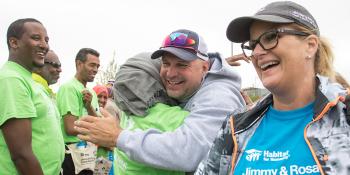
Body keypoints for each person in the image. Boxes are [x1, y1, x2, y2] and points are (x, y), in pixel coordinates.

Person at [196, 1, 350, 175]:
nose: (256, 53)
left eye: (270, 37)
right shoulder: (236, 126)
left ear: (310, 45)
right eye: (252, 45)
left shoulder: (345, 115)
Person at [75, 29, 245, 173]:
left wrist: (118, 136)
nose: (170, 73)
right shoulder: (188, 86)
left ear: (205, 68)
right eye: (166, 64)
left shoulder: (218, 96)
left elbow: (189, 151)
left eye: (182, 65)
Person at [0, 18, 64, 175]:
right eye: (36, 38)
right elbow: (21, 154)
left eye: (46, 39)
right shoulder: (12, 79)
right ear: (14, 43)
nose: (44, 45)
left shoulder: (28, 80)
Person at [112, 52, 190, 175]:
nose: (169, 74)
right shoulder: (175, 117)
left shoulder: (128, 111)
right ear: (154, 78)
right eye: (164, 65)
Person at [57, 48, 100, 175]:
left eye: (97, 66)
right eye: (92, 65)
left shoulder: (91, 92)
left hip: (88, 154)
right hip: (73, 154)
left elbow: (98, 122)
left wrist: (89, 107)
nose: (96, 70)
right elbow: (70, 128)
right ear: (79, 64)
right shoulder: (69, 88)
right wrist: (95, 129)